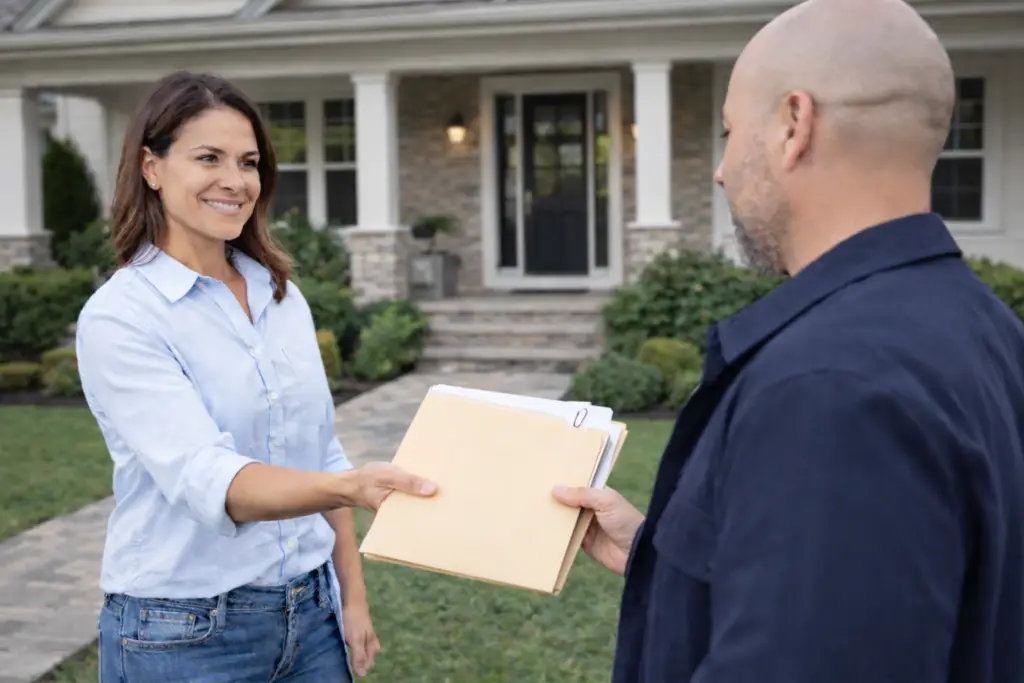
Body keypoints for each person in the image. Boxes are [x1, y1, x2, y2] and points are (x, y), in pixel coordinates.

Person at [553, 0, 1024, 681]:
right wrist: (661, 552)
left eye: (727, 132)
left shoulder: (832, 388)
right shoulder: (987, 328)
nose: (720, 171)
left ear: (793, 125)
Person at [76, 71, 437, 683]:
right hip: (182, 633)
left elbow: (322, 453)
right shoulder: (121, 317)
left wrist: (352, 598)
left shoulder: (280, 296)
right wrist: (353, 488)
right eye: (208, 158)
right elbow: (215, 482)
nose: (235, 181)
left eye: (247, 162)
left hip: (312, 617)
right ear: (152, 167)